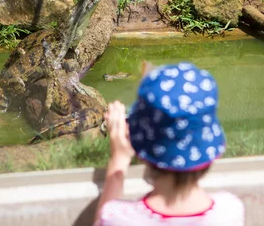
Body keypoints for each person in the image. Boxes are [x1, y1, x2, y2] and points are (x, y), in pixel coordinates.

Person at [94, 62, 245, 225]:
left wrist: (119, 159)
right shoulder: (230, 211)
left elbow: (104, 218)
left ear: (140, 145)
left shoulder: (118, 218)